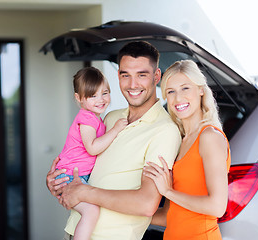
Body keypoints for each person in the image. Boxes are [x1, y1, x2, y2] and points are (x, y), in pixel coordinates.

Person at [46, 41, 182, 240]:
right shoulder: (110, 118)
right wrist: (59, 183)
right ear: (118, 75)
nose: (132, 84)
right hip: (75, 231)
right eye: (125, 75)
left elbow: (146, 204)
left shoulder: (164, 130)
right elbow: (85, 166)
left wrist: (83, 192)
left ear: (156, 77)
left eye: (141, 75)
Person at [143, 59, 231, 239]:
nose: (178, 98)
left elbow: (217, 207)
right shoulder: (179, 142)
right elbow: (170, 215)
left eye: (185, 88)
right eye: (171, 91)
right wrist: (119, 210)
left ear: (200, 90)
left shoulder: (209, 137)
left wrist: (168, 191)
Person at [55, 66, 128, 240]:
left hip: (76, 176)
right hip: (69, 177)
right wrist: (116, 129)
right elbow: (93, 148)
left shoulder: (95, 118)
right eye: (92, 95)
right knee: (91, 211)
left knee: (90, 210)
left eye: (105, 93)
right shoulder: (87, 119)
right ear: (79, 98)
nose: (101, 99)